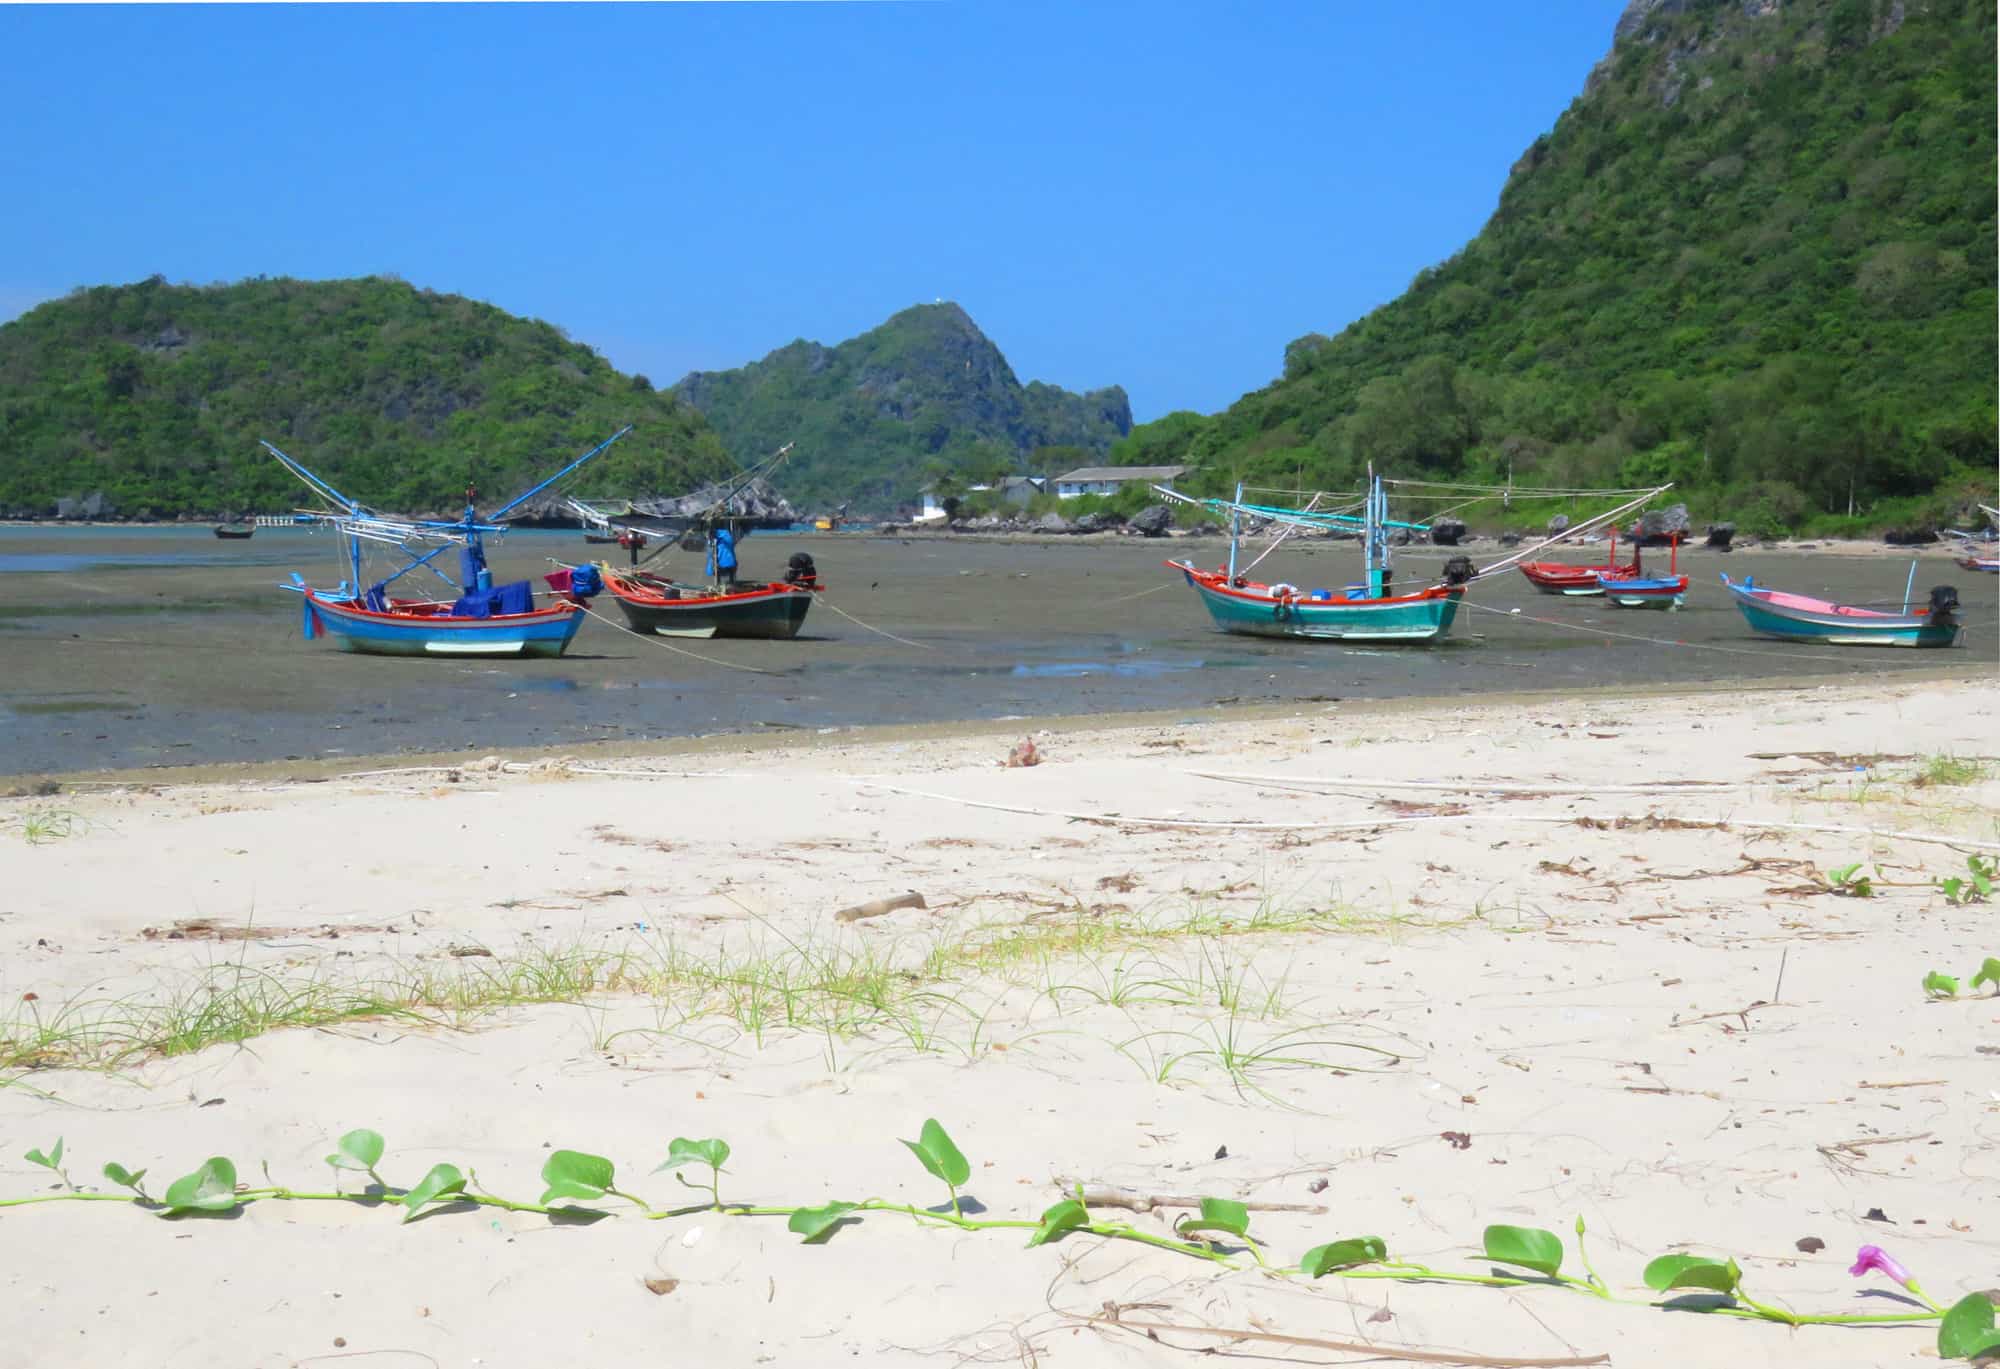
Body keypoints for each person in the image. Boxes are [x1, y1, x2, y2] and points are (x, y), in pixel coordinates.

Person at [707, 523, 738, 587]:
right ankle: (730, 583)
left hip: (722, 563)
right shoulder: (726, 536)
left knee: (717, 568)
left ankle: (719, 584)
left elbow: (712, 552)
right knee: (729, 568)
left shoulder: (719, 538)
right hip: (729, 562)